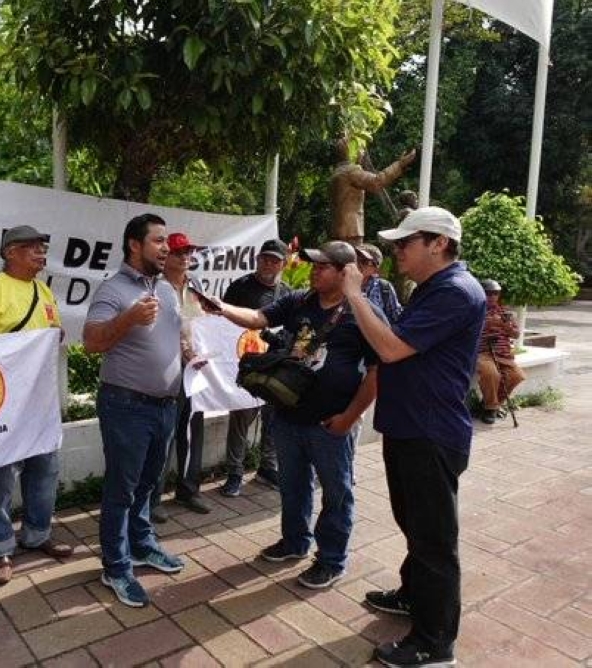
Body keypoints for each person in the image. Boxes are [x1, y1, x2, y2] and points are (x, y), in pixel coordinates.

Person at [340, 207, 486, 668]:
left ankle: (434, 642)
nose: (396, 250)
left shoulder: (456, 292)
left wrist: (353, 293)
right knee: (416, 525)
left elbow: (390, 347)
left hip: (430, 432)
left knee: (434, 539)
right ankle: (412, 595)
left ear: (438, 243)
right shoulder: (432, 289)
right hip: (410, 427)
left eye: (405, 243)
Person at [213, 241, 381, 590]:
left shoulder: (361, 312)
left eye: (323, 267)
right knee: (292, 486)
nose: (314, 271)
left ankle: (331, 560)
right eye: (314, 266)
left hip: (331, 424)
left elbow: (380, 371)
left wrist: (349, 418)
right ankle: (294, 543)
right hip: (288, 416)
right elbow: (259, 318)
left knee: (337, 493)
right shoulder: (300, 301)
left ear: (346, 272)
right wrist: (220, 307)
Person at [83, 213, 185, 608]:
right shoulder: (113, 289)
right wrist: (128, 319)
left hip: (164, 406)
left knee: (148, 484)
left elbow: (172, 334)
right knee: (122, 490)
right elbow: (91, 342)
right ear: (134, 245)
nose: (166, 249)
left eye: (167, 242)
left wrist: (186, 349)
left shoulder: (168, 288)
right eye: (158, 241)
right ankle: (116, 566)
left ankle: (142, 546)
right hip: (126, 405)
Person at [0, 225, 74, 586]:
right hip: (6, 401)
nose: (41, 253)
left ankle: (37, 534)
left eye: (42, 247)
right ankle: (0, 547)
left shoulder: (43, 290)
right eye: (31, 247)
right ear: (10, 252)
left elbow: (52, 334)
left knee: (45, 469)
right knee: (2, 476)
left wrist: (55, 336)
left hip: (40, 400)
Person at [219, 238, 290, 497]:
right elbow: (222, 325)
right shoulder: (240, 286)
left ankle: (267, 467)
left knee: (273, 420)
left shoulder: (287, 292)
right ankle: (234, 472)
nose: (268, 263)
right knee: (241, 418)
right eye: (264, 258)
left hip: (275, 368)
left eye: (274, 260)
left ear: (284, 263)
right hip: (245, 366)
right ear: (257, 258)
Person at [149, 232, 208, 522]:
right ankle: (153, 497)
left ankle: (188, 489)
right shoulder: (156, 286)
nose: (185, 257)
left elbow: (202, 322)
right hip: (166, 367)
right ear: (166, 256)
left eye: (189, 252)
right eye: (179, 252)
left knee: (193, 427)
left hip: (194, 367)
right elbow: (153, 330)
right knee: (166, 432)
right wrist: (181, 349)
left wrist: (201, 352)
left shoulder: (195, 284)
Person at [330, 138, 416, 244]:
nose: (362, 152)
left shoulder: (338, 171)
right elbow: (377, 182)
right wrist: (400, 164)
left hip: (340, 229)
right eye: (358, 148)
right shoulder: (350, 172)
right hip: (351, 231)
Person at [476, 279, 524, 424]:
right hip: (483, 352)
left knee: (517, 375)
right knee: (491, 374)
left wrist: (508, 327)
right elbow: (465, 331)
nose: (492, 297)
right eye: (488, 293)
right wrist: (486, 324)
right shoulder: (474, 310)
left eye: (495, 293)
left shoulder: (504, 312)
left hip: (503, 353)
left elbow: (516, 335)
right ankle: (490, 408)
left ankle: (492, 404)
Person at [356, 243, 403, 323]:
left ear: (375, 269)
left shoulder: (384, 287)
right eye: (355, 259)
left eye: (364, 262)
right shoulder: (342, 284)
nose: (358, 264)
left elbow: (396, 317)